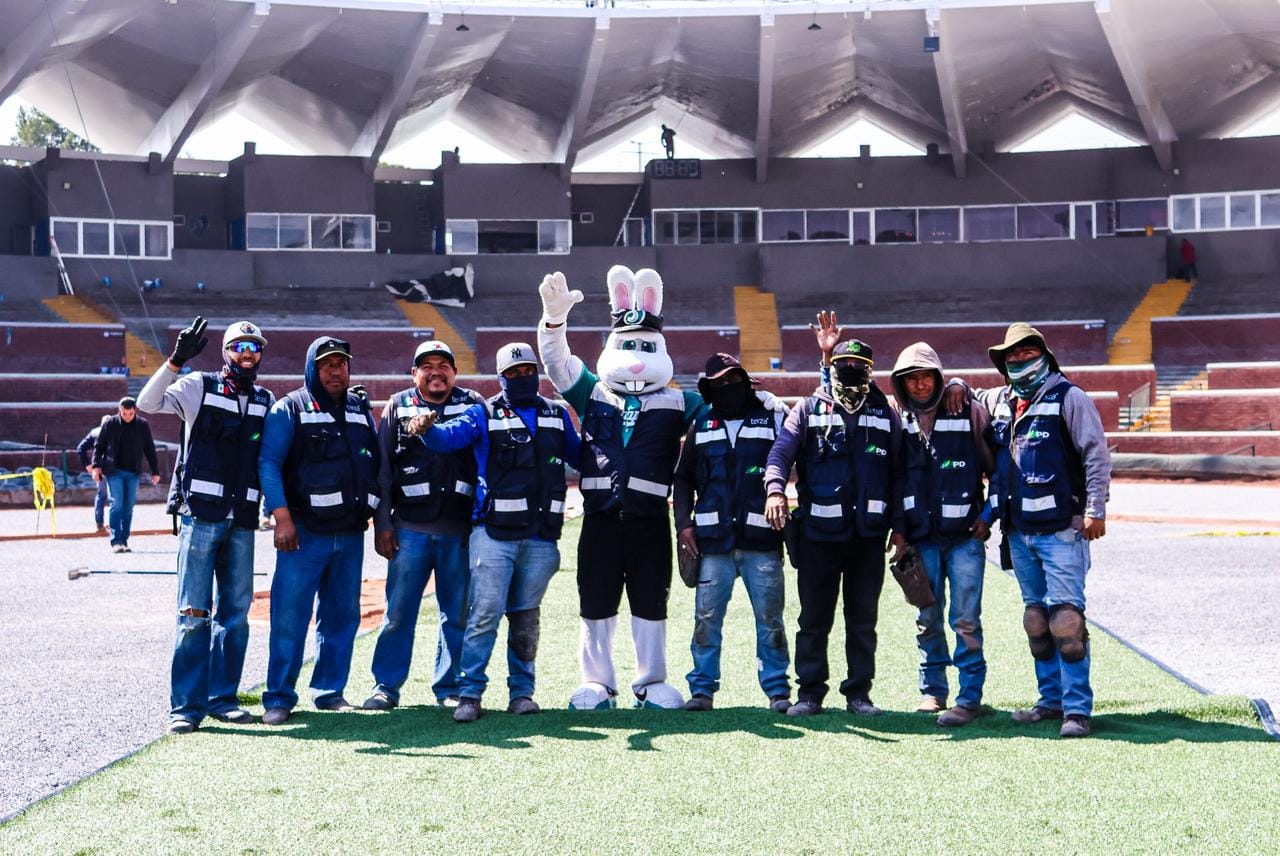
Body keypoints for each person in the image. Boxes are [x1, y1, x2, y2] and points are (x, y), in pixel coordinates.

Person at [538, 266, 701, 711]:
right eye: (627, 346)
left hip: (650, 521)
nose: (636, 358)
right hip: (600, 519)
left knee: (651, 600)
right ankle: (597, 683)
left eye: (645, 347)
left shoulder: (679, 401)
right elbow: (557, 362)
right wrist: (554, 321)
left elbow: (727, 409)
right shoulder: (591, 392)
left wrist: (764, 401)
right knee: (595, 601)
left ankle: (651, 682)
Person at [948, 323, 1111, 738]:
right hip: (1018, 533)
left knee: (1066, 621)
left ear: (1045, 356)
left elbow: (1095, 454)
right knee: (1036, 620)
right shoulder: (1003, 400)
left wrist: (1096, 509)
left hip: (1062, 531)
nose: (1019, 361)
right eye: (1012, 357)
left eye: (1027, 354)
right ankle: (1050, 701)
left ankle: (1077, 710)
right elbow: (969, 393)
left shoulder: (1069, 398)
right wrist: (957, 383)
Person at [408, 343, 581, 723]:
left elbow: (582, 456)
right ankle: (470, 693)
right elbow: (448, 438)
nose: (522, 377)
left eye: (528, 371)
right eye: (513, 373)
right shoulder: (482, 413)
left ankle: (522, 693)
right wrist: (426, 429)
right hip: (493, 535)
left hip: (541, 537)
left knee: (526, 618)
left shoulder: (556, 413)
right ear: (501, 378)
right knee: (485, 613)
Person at [137, 316, 274, 735]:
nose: (247, 354)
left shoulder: (266, 399)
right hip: (200, 515)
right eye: (239, 347)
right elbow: (147, 403)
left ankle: (223, 699)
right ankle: (185, 708)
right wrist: (175, 361)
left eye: (254, 347)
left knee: (235, 615)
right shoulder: (199, 386)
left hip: (243, 519)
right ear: (226, 352)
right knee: (193, 614)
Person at [763, 312, 905, 717]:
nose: (851, 371)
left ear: (871, 371)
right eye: (844, 365)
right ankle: (810, 694)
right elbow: (779, 455)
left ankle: (859, 694)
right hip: (818, 539)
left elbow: (900, 474)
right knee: (814, 620)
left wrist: (900, 529)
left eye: (859, 366)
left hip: (868, 538)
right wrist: (775, 490)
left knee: (862, 621)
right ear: (832, 367)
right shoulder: (808, 409)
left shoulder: (885, 413)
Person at [258, 337, 381, 725]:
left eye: (341, 364)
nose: (335, 371)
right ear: (312, 368)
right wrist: (282, 518)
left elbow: (374, 464)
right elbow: (268, 463)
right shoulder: (289, 408)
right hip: (303, 534)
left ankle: (329, 692)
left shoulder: (360, 409)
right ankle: (279, 697)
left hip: (350, 533)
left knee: (342, 616)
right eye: (326, 365)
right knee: (290, 617)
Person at [363, 341, 485, 712]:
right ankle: (386, 686)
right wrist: (382, 523)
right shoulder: (398, 405)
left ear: (454, 372)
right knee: (398, 614)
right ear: (414, 373)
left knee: (457, 614)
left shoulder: (474, 404)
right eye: (427, 366)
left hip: (459, 531)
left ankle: (449, 687)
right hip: (409, 529)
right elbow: (383, 470)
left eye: (443, 365)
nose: (436, 372)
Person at [673, 353, 791, 713]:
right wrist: (683, 525)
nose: (728, 387)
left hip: (762, 541)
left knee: (770, 621)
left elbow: (798, 449)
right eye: (719, 382)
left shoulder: (772, 416)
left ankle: (777, 690)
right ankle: (702, 690)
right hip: (713, 544)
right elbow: (683, 478)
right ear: (709, 388)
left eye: (733, 379)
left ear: (745, 379)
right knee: (706, 620)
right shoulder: (701, 424)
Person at [890, 342, 995, 728]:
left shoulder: (967, 409)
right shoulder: (896, 418)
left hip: (965, 538)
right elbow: (893, 479)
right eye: (911, 379)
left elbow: (997, 467)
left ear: (938, 377)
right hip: (921, 539)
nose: (920, 385)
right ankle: (933, 690)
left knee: (966, 620)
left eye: (926, 377)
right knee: (927, 617)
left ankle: (969, 696)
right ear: (901, 383)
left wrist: (988, 515)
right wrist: (900, 530)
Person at [92, 396, 162, 553]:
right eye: (124, 414)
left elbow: (149, 448)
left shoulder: (142, 425)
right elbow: (99, 446)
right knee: (116, 503)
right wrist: (96, 466)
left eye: (130, 414)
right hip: (113, 471)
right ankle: (115, 541)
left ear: (135, 411)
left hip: (133, 471)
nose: (127, 417)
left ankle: (124, 540)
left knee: (129, 505)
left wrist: (155, 471)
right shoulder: (110, 423)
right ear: (120, 410)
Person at [77, 415, 112, 534]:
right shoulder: (117, 432)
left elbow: (81, 448)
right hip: (112, 468)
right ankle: (113, 523)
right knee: (115, 496)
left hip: (99, 468)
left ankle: (100, 524)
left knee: (101, 495)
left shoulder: (95, 433)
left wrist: (88, 465)